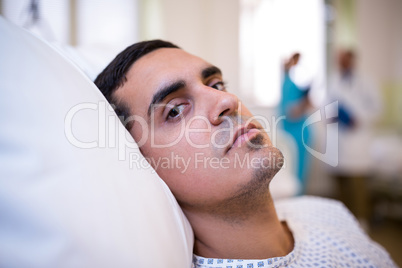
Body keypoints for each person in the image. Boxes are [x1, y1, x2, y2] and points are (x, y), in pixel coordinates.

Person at [94, 40, 396, 268]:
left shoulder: (327, 212)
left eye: (217, 84)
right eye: (174, 110)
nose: (227, 99)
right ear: (142, 165)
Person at [279, 53, 313, 194]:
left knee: (299, 174)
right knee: (294, 172)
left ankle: (298, 202)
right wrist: (304, 102)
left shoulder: (291, 84)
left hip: (299, 132)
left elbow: (305, 106)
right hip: (293, 133)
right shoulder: (287, 84)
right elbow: (292, 113)